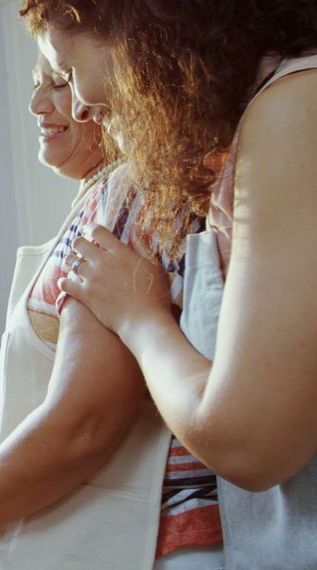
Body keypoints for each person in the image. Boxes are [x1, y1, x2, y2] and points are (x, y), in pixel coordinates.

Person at [0, 49, 220, 569]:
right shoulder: (103, 201)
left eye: (61, 81)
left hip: (150, 547)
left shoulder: (122, 196)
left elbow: (83, 425)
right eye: (40, 84)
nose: (39, 103)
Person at [30, 1, 317, 567]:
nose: (80, 104)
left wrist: (138, 318)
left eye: (67, 72)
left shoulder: (296, 106)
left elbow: (249, 443)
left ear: (141, 30)